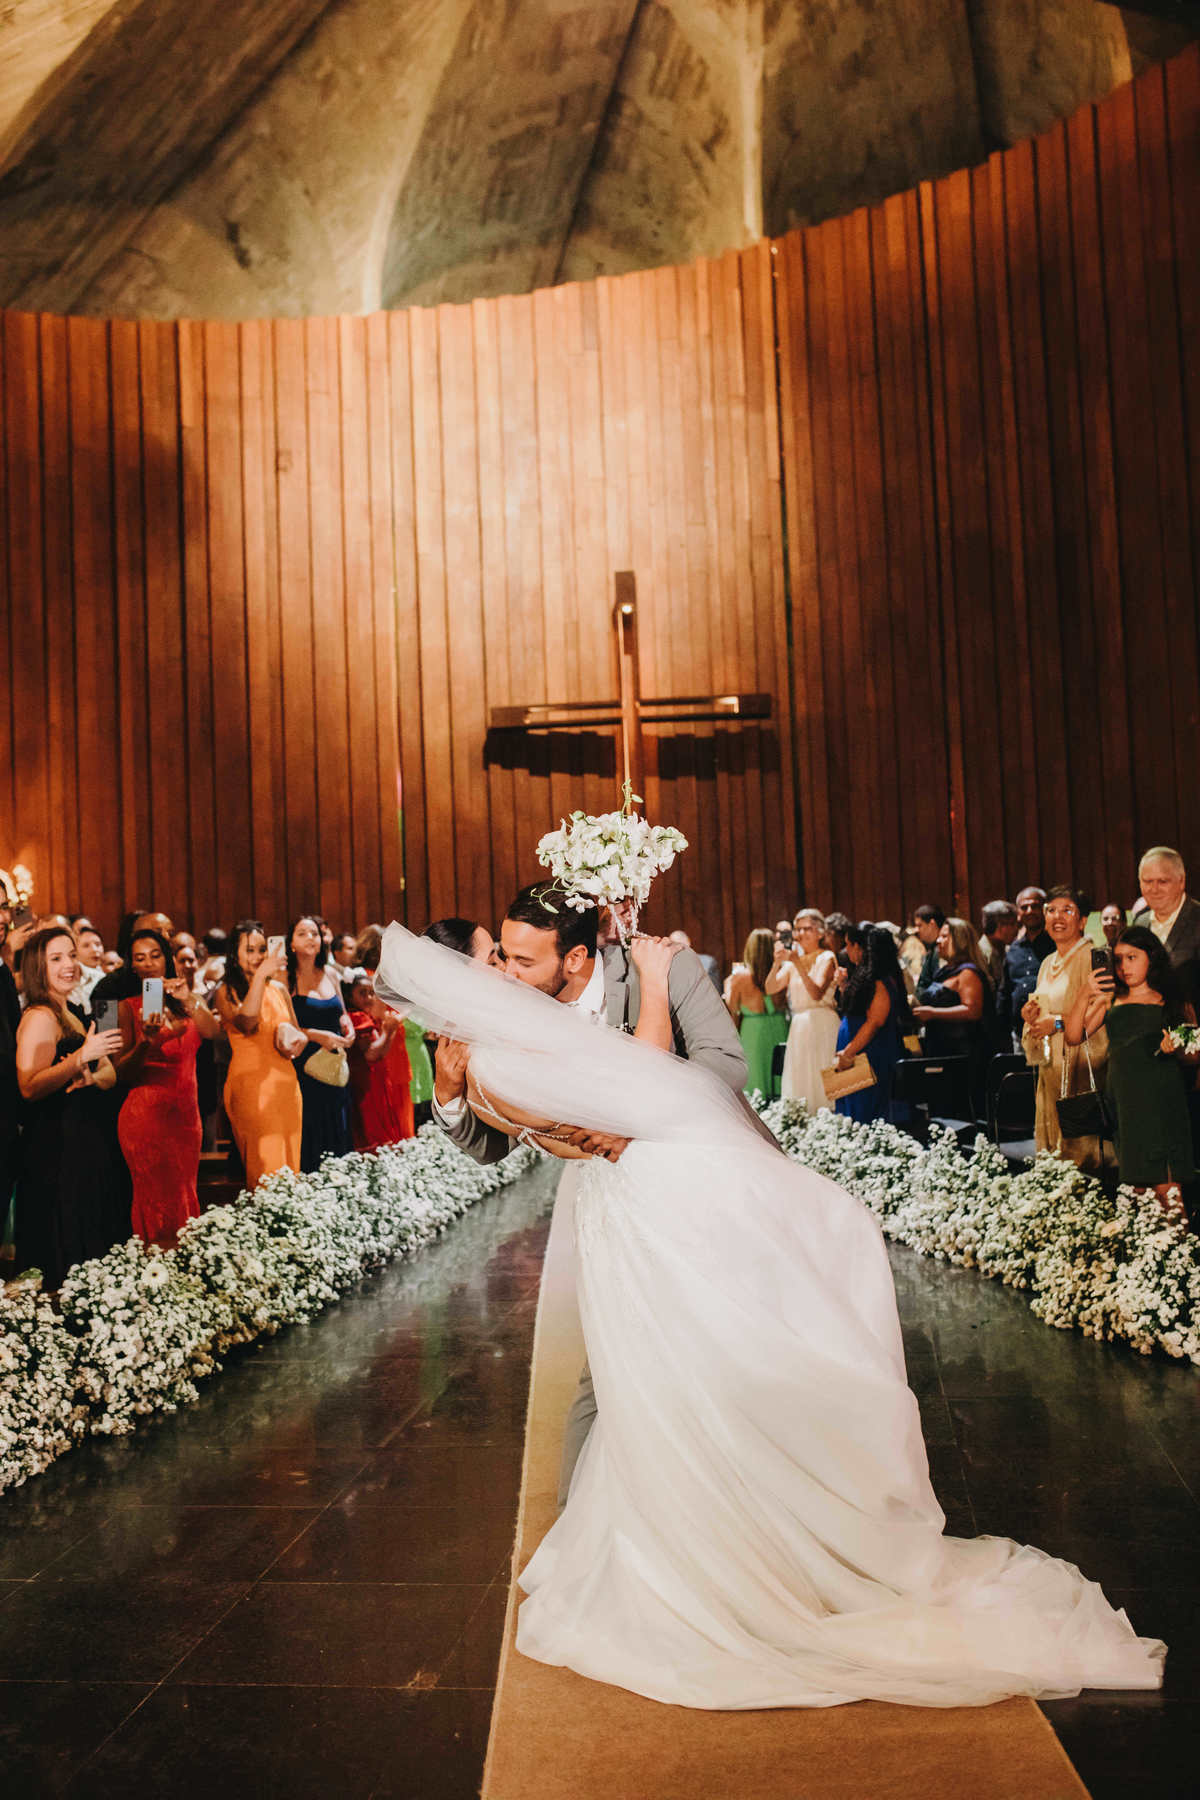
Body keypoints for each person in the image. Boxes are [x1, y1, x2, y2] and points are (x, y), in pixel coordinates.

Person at [376, 924, 1164, 1710]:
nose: (508, 973)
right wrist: (475, 1090)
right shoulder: (503, 1051)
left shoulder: (541, 1025)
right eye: (496, 961)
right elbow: (633, 1095)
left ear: (575, 957)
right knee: (652, 1377)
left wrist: (647, 1006)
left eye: (518, 957)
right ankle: (682, 1541)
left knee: (693, 1368)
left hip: (672, 1191)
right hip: (647, 1201)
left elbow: (713, 1068)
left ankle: (705, 1527)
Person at [12, 927, 126, 1288]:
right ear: (37, 967)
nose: (69, 965)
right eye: (56, 958)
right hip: (56, 1151)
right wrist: (80, 1058)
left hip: (84, 1144)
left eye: (72, 956)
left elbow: (108, 1072)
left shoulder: (75, 1010)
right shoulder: (40, 1016)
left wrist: (93, 1074)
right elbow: (28, 1087)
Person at [1065, 925, 1194, 1222]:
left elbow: (1194, 1054)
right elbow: (1073, 1035)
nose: (1124, 967)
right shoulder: (1111, 1000)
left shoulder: (1172, 1001)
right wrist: (1086, 991)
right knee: (1137, 1188)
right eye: (1119, 959)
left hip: (1162, 1101)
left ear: (1152, 957)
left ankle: (1182, 1260)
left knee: (1167, 1187)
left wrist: (1176, 1047)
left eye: (1132, 958)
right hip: (1125, 1104)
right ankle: (1147, 1260)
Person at [112, 928, 220, 1247]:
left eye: (155, 956)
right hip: (146, 1116)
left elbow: (213, 1033)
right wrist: (146, 1041)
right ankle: (157, 1278)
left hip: (187, 1117)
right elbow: (120, 1073)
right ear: (132, 966)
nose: (148, 964)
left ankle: (184, 1275)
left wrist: (189, 999)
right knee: (153, 1197)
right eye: (139, 958)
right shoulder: (124, 1007)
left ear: (167, 959)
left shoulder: (188, 1000)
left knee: (186, 1192)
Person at [1021, 886, 1108, 1171]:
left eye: (1067, 910)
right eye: (1051, 910)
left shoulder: (1094, 957)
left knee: (1083, 1156)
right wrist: (1031, 1016)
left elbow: (1103, 1014)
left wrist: (1056, 1022)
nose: (1058, 917)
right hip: (1051, 1070)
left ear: (1082, 921)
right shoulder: (1048, 962)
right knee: (1053, 1156)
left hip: (1081, 1069)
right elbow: (1045, 1011)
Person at [214, 920, 304, 1188]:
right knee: (265, 1166)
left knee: (290, 1164)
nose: (257, 956)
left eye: (262, 949)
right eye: (250, 950)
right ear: (235, 955)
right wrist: (261, 976)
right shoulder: (226, 991)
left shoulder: (278, 989)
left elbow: (299, 1033)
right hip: (253, 1088)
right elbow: (247, 1023)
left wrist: (294, 1041)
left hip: (286, 1085)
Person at [288, 914, 354, 1171]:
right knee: (310, 1128)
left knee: (338, 1123)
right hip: (303, 1062)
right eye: (302, 933)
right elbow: (282, 1026)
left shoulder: (330, 974)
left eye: (314, 933)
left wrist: (347, 1026)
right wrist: (317, 1036)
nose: (310, 938)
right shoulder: (286, 979)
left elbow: (342, 1013)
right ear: (291, 942)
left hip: (333, 1060)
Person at [910, 916, 994, 1114]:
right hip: (942, 1048)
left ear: (960, 940)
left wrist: (933, 1013)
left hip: (962, 1053)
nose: (939, 941)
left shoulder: (968, 973)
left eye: (945, 937)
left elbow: (972, 1010)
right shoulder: (945, 971)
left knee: (958, 1107)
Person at [832, 924, 913, 1125]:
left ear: (860, 948)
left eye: (849, 945)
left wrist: (849, 1052)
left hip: (870, 1054)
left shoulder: (879, 980)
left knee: (866, 1114)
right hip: (860, 1051)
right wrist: (843, 986)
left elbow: (874, 1022)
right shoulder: (866, 975)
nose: (846, 950)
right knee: (852, 1111)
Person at [769, 909, 838, 1110]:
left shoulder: (827, 957)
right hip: (800, 1025)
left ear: (820, 932)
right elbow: (770, 988)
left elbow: (816, 993)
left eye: (806, 928)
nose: (800, 934)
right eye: (797, 929)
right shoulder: (792, 963)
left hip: (822, 1022)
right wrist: (776, 964)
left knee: (820, 1077)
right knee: (801, 1077)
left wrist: (797, 963)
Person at [345, 970, 415, 1151]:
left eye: (371, 993)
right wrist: (389, 1031)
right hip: (367, 1087)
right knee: (373, 1134)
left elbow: (381, 1052)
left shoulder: (366, 1016)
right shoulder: (357, 1017)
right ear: (349, 997)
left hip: (377, 1083)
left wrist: (389, 1030)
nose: (369, 997)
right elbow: (371, 1054)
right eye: (362, 993)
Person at [1130, 847, 1200, 1015]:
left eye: (1163, 881)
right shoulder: (1140, 922)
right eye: (1147, 881)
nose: (1154, 889)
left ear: (1181, 881)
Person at [726, 928, 790, 1101]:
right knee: (780, 1076)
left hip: (752, 1032)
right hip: (779, 1028)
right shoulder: (782, 972)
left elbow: (731, 1012)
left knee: (756, 1082)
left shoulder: (739, 978)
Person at [1004, 887, 1053, 1038]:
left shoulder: (1057, 946)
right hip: (1020, 1035)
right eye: (1024, 907)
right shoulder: (1013, 950)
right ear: (1018, 913)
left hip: (1053, 1031)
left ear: (1045, 909)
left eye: (1035, 906)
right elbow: (1005, 991)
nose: (1030, 911)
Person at [977, 900, 1018, 992]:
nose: (1016, 929)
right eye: (1011, 924)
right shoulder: (979, 955)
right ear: (999, 926)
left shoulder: (1008, 950)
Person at [912, 904, 946, 996]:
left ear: (932, 924)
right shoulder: (932, 949)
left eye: (920, 926)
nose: (916, 930)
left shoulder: (942, 950)